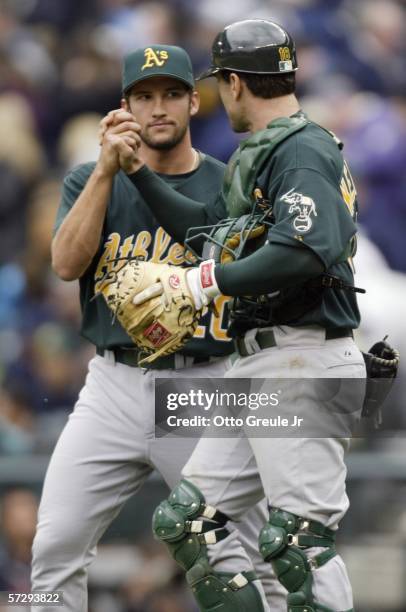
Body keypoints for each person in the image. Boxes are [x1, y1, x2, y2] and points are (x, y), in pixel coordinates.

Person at [108, 20, 367, 612]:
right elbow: (209, 231)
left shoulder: (299, 148)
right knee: (190, 522)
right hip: (263, 362)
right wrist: (139, 173)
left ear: (232, 84)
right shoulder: (274, 148)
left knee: (298, 547)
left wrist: (204, 283)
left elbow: (305, 247)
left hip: (302, 357)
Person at [31, 45, 284, 612]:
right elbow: (66, 265)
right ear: (124, 108)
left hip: (202, 383)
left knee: (247, 553)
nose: (158, 108)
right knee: (55, 545)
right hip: (113, 384)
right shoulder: (88, 180)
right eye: (144, 96)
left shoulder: (229, 183)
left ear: (196, 101)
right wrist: (103, 169)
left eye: (171, 93)